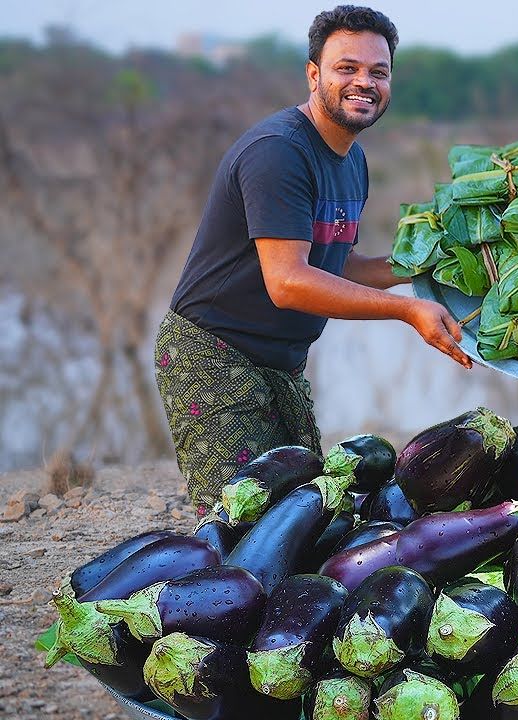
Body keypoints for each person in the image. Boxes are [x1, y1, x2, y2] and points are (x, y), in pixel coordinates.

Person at [156, 5, 471, 514]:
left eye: (378, 72)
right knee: (243, 524)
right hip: (214, 356)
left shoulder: (353, 161)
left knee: (301, 515)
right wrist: (407, 310)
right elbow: (288, 282)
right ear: (313, 74)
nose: (364, 82)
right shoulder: (278, 152)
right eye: (347, 68)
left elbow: (333, 265)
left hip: (282, 363)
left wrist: (426, 268)